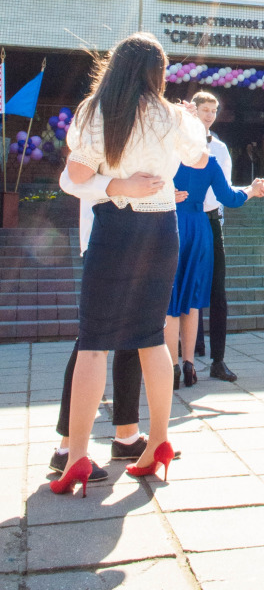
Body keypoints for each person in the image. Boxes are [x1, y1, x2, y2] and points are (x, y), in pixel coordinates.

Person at [51, 32, 208, 496]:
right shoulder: (173, 115)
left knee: (94, 343)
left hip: (117, 229)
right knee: (150, 339)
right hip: (163, 231)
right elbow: (198, 156)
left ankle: (77, 455)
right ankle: (157, 440)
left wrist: (118, 185)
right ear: (157, 73)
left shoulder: (97, 112)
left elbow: (73, 178)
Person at [53, 168, 167, 477]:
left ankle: (127, 434)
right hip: (102, 236)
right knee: (92, 342)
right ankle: (67, 447)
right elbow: (70, 178)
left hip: (142, 237)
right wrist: (122, 186)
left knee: (136, 338)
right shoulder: (103, 121)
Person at [167, 158, 264, 388]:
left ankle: (171, 367)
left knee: (171, 301)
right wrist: (251, 191)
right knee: (192, 300)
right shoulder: (209, 162)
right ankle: (189, 365)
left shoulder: (168, 156)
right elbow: (229, 198)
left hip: (171, 224)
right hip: (199, 227)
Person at [191, 92, 238, 381]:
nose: (209, 115)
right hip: (183, 220)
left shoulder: (219, 148)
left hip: (210, 222)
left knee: (217, 293)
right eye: (204, 109)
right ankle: (182, 357)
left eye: (214, 110)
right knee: (183, 288)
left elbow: (226, 190)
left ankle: (218, 360)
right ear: (193, 111)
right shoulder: (177, 145)